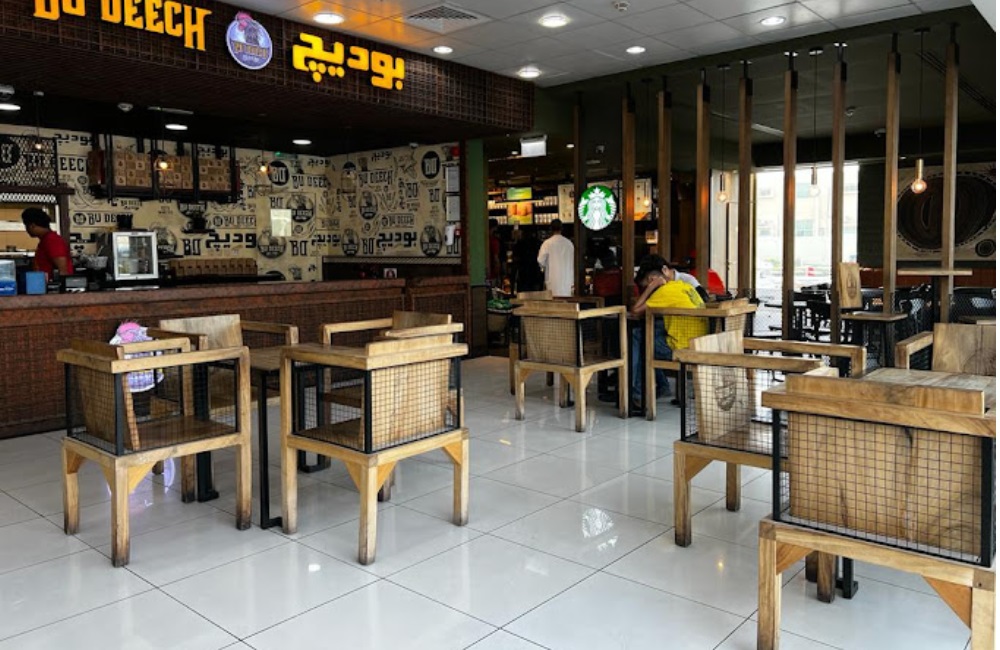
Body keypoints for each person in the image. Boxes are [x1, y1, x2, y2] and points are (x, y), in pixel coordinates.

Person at [628, 256, 707, 414]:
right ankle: (657, 386)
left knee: (639, 339)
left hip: (682, 348)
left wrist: (651, 288)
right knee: (642, 337)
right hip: (699, 342)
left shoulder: (665, 290)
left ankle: (636, 395)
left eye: (646, 285)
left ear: (652, 279)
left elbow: (635, 311)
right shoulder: (685, 285)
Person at [21, 208, 73, 278]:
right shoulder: (45, 240)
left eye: (26, 226)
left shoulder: (52, 240)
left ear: (32, 226)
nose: (27, 230)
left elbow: (63, 270)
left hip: (52, 284)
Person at [537, 219, 574, 297]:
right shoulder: (569, 244)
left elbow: (540, 261)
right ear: (562, 228)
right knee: (566, 302)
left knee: (553, 302)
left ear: (551, 229)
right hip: (567, 282)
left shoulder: (547, 244)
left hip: (552, 282)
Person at [511, 228, 543, 292]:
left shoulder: (519, 244)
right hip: (535, 274)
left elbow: (515, 263)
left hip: (523, 276)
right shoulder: (538, 243)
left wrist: (512, 284)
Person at [488, 218, 502, 284]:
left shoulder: (484, 240)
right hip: (492, 274)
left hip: (485, 273)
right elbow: (496, 259)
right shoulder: (494, 241)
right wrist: (498, 275)